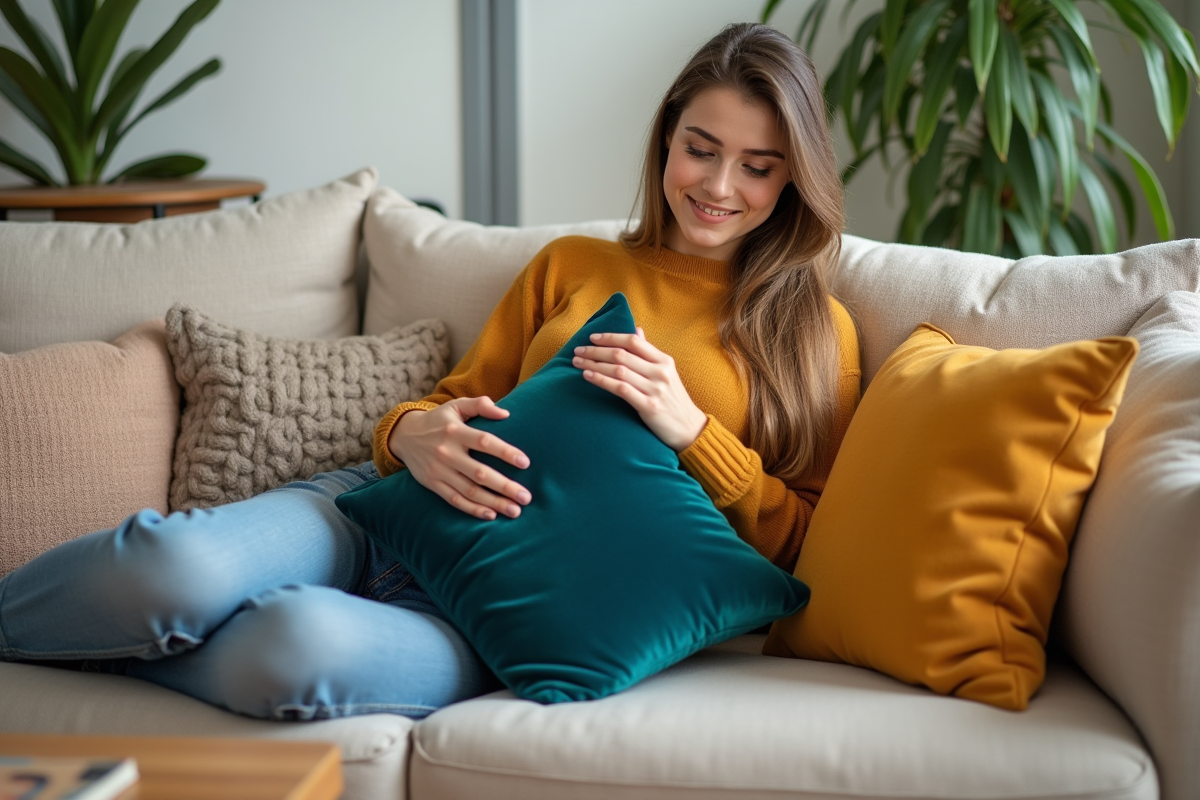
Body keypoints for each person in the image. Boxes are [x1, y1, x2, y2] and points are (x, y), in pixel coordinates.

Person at [0, 22, 859, 721]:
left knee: (291, 650)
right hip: (373, 513)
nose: (718, 185)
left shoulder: (814, 332)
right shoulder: (574, 264)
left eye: (757, 166)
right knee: (167, 575)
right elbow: (449, 401)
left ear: (795, 177)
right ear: (666, 138)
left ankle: (98, 653)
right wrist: (407, 431)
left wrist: (695, 433)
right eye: (699, 148)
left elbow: (805, 543)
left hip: (492, 610)